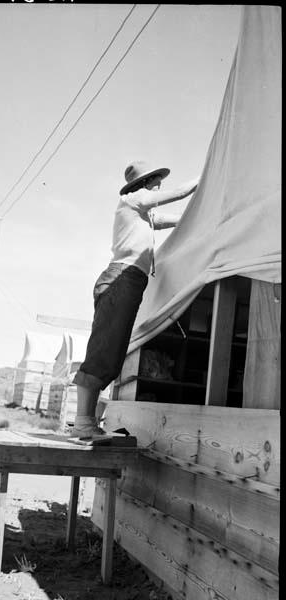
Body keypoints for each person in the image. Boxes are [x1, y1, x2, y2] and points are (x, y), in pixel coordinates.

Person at [71, 160, 199, 438]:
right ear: (145, 183)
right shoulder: (133, 200)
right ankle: (83, 423)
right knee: (105, 349)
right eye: (156, 180)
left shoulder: (144, 215)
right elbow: (179, 193)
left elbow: (178, 218)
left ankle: (86, 423)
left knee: (112, 350)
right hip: (122, 278)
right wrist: (207, 175)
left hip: (129, 280)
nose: (159, 184)